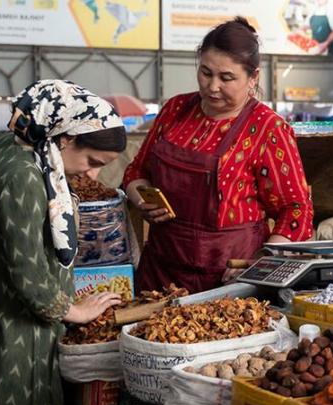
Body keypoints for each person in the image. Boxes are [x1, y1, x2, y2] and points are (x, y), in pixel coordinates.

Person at [0, 80, 126, 405]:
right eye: (93, 161)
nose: (93, 172)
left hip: (3, 322)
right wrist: (74, 310)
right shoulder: (24, 176)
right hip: (13, 335)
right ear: (66, 138)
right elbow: (28, 274)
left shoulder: (19, 148)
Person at [123, 17, 314, 294]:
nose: (213, 86)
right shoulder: (175, 109)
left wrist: (263, 262)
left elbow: (296, 209)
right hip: (160, 270)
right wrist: (141, 198)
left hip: (229, 279)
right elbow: (137, 170)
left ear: (253, 77)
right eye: (205, 72)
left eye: (226, 78)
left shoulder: (267, 128)